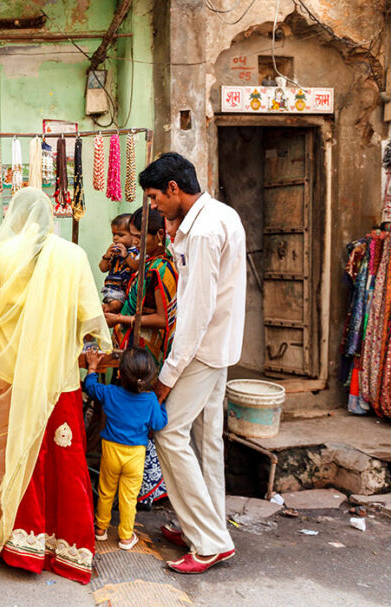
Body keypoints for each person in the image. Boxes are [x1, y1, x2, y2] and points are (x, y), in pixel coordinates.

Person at [0, 187, 112, 585]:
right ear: (51, 218)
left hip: (8, 375)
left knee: (13, 457)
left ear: (14, 216)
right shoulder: (72, 257)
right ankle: (66, 549)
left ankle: (18, 545)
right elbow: (88, 316)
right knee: (62, 460)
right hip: (55, 377)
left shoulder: (1, 255)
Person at [139, 152, 247, 574]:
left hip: (201, 349)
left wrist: (167, 376)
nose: (154, 208)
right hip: (219, 346)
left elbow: (195, 311)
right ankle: (204, 525)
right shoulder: (221, 215)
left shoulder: (201, 232)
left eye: (155, 198)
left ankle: (209, 542)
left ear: (173, 188)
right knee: (207, 442)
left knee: (168, 433)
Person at [105, 206, 178, 509]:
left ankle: (148, 489)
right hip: (136, 346)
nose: (134, 243)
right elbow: (147, 307)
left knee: (138, 419)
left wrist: (121, 320)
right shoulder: (147, 264)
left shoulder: (161, 269)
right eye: (132, 237)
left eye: (139, 237)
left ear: (159, 235)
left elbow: (163, 319)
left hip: (148, 356)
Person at [83, 348, 167, 550]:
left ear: (119, 374)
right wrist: (161, 405)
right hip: (135, 455)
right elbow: (159, 423)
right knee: (128, 498)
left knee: (105, 491)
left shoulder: (110, 393)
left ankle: (101, 529)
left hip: (111, 451)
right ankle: (126, 537)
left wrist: (93, 366)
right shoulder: (150, 401)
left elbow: (90, 386)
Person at [99, 213, 138, 313]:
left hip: (125, 290)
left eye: (120, 235)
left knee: (115, 308)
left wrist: (126, 256)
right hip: (112, 288)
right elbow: (103, 268)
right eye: (113, 234)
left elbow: (137, 266)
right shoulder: (114, 251)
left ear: (134, 236)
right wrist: (106, 257)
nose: (115, 238)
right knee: (111, 307)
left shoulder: (136, 252)